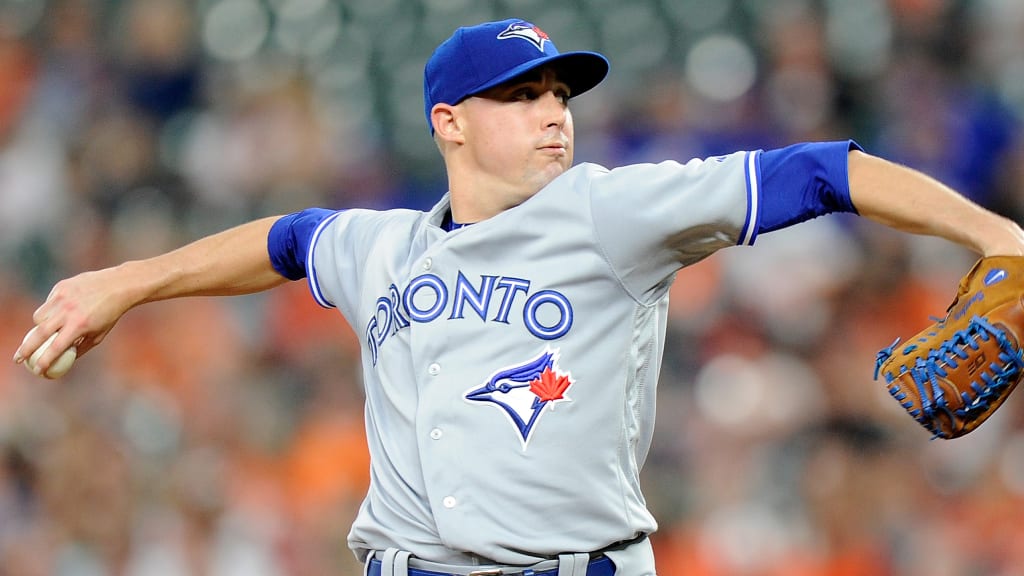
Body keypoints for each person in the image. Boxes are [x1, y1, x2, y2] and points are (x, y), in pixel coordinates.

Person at [12, 17, 1024, 576]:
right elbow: (284, 242)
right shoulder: (386, 247)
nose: (553, 116)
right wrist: (124, 283)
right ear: (449, 122)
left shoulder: (611, 211)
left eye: (559, 97)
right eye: (522, 97)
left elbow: (818, 169)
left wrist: (994, 234)